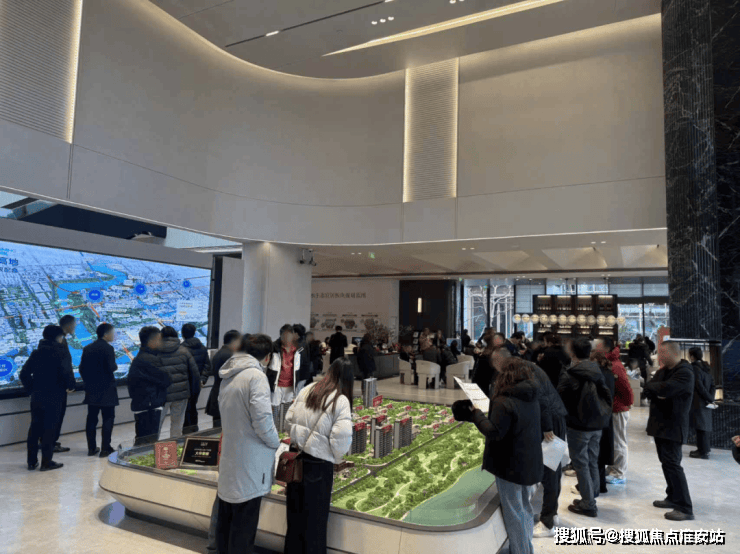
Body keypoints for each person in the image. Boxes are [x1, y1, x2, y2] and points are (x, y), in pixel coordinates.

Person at [452, 357, 542, 554]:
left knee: (513, 512)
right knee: (524, 507)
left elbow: (494, 432)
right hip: (529, 461)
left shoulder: (503, 401)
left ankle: (520, 551)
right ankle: (526, 548)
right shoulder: (531, 396)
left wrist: (477, 414)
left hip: (510, 465)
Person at [217, 333, 280, 554]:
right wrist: (275, 442)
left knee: (226, 520)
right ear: (267, 357)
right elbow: (262, 421)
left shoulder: (229, 374)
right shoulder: (256, 377)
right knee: (244, 524)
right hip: (251, 460)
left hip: (231, 455)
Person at [284, 358, 353, 554]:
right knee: (315, 524)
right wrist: (334, 455)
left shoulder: (307, 389)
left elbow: (288, 419)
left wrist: (299, 438)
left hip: (296, 462)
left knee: (294, 519)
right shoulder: (340, 400)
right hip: (319, 467)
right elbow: (341, 437)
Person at [557, 337, 612, 517]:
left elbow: (560, 398)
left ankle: (588, 504)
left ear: (572, 353)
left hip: (578, 424)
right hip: (597, 423)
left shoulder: (570, 373)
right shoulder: (597, 369)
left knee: (581, 464)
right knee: (592, 461)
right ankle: (591, 496)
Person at [645, 341, 695, 521]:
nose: (660, 357)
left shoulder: (685, 372)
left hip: (674, 426)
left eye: (663, 353)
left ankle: (685, 507)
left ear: (674, 353)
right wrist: (659, 391)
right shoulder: (663, 371)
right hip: (660, 425)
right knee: (666, 463)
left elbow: (666, 388)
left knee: (673, 465)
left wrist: (660, 390)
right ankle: (672, 496)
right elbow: (650, 388)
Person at [20, 325, 76, 471]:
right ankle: (46, 462)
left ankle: (31, 462)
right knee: (50, 429)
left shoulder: (36, 353)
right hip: (55, 396)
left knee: (35, 428)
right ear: (58, 337)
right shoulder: (61, 352)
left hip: (37, 396)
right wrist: (70, 386)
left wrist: (32, 389)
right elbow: (67, 373)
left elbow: (24, 374)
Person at [594, 337, 633, 486]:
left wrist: (626, 403)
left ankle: (619, 473)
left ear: (604, 348)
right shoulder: (608, 363)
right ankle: (613, 469)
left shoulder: (615, 365)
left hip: (618, 409)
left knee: (618, 442)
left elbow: (625, 388)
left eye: (596, 346)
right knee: (614, 441)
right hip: (613, 409)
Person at [79, 323, 119, 457]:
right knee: (108, 418)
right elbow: (112, 367)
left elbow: (82, 369)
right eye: (113, 333)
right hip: (107, 389)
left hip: (92, 389)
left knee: (91, 419)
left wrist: (88, 382)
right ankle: (105, 448)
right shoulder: (108, 348)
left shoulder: (88, 348)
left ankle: (91, 448)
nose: (114, 335)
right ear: (106, 334)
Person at [127, 326, 170, 445]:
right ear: (152, 341)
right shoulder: (150, 359)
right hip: (150, 406)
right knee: (148, 441)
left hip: (144, 404)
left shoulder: (141, 357)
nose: (161, 342)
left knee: (143, 437)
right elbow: (167, 379)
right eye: (159, 339)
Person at [157, 326, 200, 439]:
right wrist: (193, 393)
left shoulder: (155, 351)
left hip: (161, 395)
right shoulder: (184, 351)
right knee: (177, 424)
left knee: (156, 425)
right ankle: (175, 446)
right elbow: (195, 374)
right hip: (181, 394)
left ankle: (154, 447)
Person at [590, 351, 616, 496]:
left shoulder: (596, 375)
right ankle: (601, 484)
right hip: (607, 416)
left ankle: (595, 486)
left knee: (595, 453)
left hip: (596, 416)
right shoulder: (609, 373)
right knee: (601, 452)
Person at [206, 330, 242, 429]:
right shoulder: (229, 356)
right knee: (223, 429)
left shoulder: (221, 353)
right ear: (234, 341)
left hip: (218, 393)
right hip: (225, 395)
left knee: (218, 427)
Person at [180, 323, 212, 433]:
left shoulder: (181, 349)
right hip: (197, 384)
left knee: (185, 408)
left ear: (182, 334)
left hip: (184, 384)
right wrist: (202, 379)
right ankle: (194, 429)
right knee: (192, 406)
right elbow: (207, 365)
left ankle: (187, 431)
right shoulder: (202, 347)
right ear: (194, 333)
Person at [53, 314, 77, 453]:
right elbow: (65, 365)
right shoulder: (60, 341)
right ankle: (51, 443)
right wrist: (71, 384)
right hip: (58, 386)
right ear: (68, 325)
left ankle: (48, 441)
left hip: (52, 386)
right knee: (56, 415)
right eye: (74, 324)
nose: (75, 327)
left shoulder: (54, 339)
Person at [267, 324, 307, 406]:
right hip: (276, 385)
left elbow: (300, 367)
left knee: (287, 408)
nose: (287, 339)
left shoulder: (299, 350)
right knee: (274, 408)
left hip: (290, 385)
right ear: (281, 336)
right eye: (284, 336)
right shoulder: (274, 348)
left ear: (293, 335)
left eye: (289, 336)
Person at [688, 347, 716, 459]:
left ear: (692, 356)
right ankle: (705, 449)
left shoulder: (694, 368)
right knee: (705, 426)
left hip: (698, 401)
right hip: (706, 401)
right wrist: (711, 398)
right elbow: (713, 384)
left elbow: (698, 385)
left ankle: (702, 452)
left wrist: (707, 397)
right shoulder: (706, 367)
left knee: (700, 427)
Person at [292, 323, 312, 395]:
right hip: (301, 374)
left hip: (301, 374)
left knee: (297, 394)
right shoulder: (301, 342)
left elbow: (300, 362)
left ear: (296, 334)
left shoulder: (301, 345)